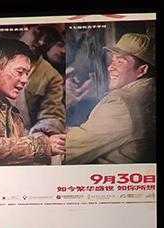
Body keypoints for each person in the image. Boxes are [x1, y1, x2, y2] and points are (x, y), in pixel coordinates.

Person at [65, 33, 155, 164]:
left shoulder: (120, 103)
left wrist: (43, 141)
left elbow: (71, 148)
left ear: (142, 70)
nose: (110, 68)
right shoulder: (149, 91)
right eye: (112, 61)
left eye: (120, 62)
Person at [0, 39, 65, 166]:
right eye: (19, 72)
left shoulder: (13, 114)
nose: (25, 80)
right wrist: (42, 146)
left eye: (26, 74)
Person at [0, 25, 66, 137]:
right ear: (23, 30)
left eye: (49, 40)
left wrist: (39, 138)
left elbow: (51, 116)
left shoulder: (52, 76)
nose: (42, 42)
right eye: (38, 34)